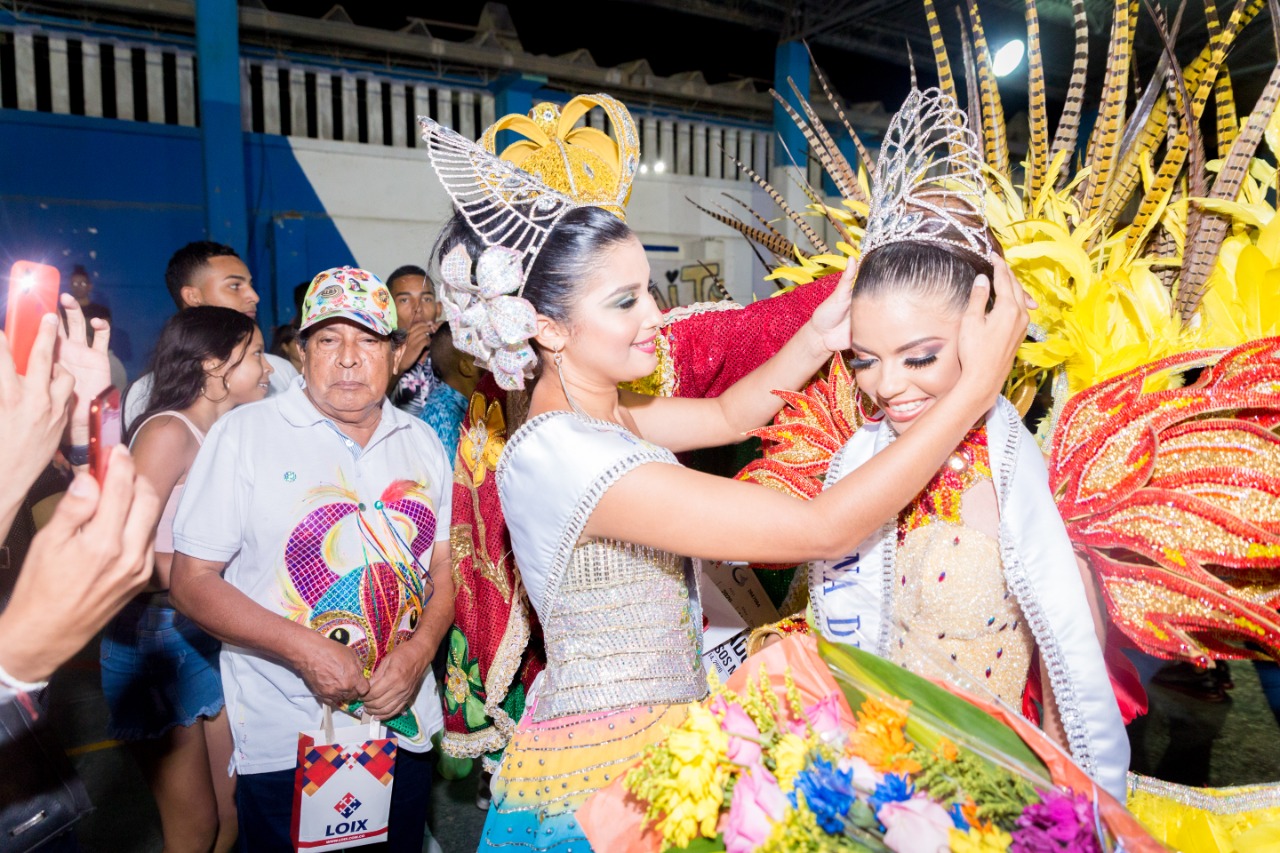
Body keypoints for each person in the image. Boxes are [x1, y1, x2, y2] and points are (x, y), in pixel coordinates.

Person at [420, 118, 1031, 851]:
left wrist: (818, 331)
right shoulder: (572, 459)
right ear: (548, 328)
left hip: (663, 732)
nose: (656, 315)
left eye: (648, 290)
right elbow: (820, 529)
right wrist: (974, 392)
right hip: (606, 774)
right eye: (625, 302)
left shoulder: (599, 419)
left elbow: (726, 411)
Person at [168, 267, 454, 852]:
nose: (348, 359)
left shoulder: (420, 441)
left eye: (368, 341)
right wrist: (306, 650)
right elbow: (192, 581)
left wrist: (420, 652)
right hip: (288, 733)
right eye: (328, 340)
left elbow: (444, 569)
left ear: (397, 354)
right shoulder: (246, 435)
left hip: (403, 722)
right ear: (301, 352)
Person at [100, 307, 272, 853]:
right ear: (212, 366)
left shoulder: (226, 433)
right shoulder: (170, 431)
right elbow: (118, 554)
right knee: (193, 828)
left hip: (205, 631)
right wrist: (209, 575)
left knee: (229, 815)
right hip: (155, 638)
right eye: (255, 356)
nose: (269, 369)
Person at [123, 241, 298, 429]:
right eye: (235, 286)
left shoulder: (279, 371)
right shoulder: (145, 392)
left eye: (250, 285)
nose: (254, 296)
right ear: (193, 297)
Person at [386, 264, 440, 416]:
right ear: (388, 311)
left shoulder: (453, 347)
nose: (417, 308)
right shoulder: (377, 352)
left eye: (427, 299)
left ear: (439, 308)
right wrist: (398, 366)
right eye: (404, 300)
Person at [419, 323, 475, 460]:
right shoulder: (443, 416)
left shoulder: (463, 404)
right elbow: (449, 479)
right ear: (466, 367)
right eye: (481, 356)